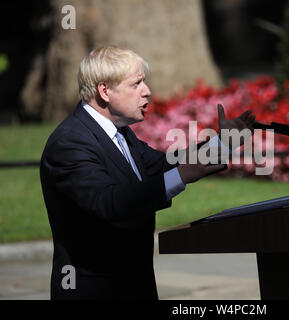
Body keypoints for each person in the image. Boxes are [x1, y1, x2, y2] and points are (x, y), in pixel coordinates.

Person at [40, 46, 256, 300]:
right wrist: (182, 176)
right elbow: (108, 202)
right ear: (105, 91)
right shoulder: (70, 143)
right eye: (137, 83)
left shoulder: (119, 133)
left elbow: (162, 165)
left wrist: (222, 143)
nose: (148, 91)